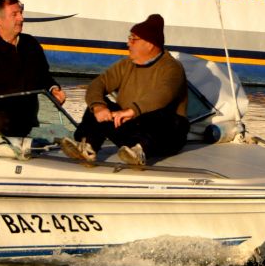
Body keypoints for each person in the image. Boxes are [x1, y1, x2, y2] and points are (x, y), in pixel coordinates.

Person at [60, 14, 188, 167]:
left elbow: (163, 94)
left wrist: (132, 111)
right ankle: (87, 147)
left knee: (164, 116)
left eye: (133, 39)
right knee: (97, 105)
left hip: (165, 137)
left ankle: (141, 151)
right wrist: (99, 107)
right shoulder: (126, 65)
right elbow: (98, 84)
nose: (128, 43)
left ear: (149, 44)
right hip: (133, 129)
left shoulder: (172, 68)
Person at [0, 0, 66, 137]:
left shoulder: (31, 44)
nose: (21, 18)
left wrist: (54, 89)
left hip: (30, 130)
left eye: (21, 13)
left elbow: (44, 77)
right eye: (15, 14)